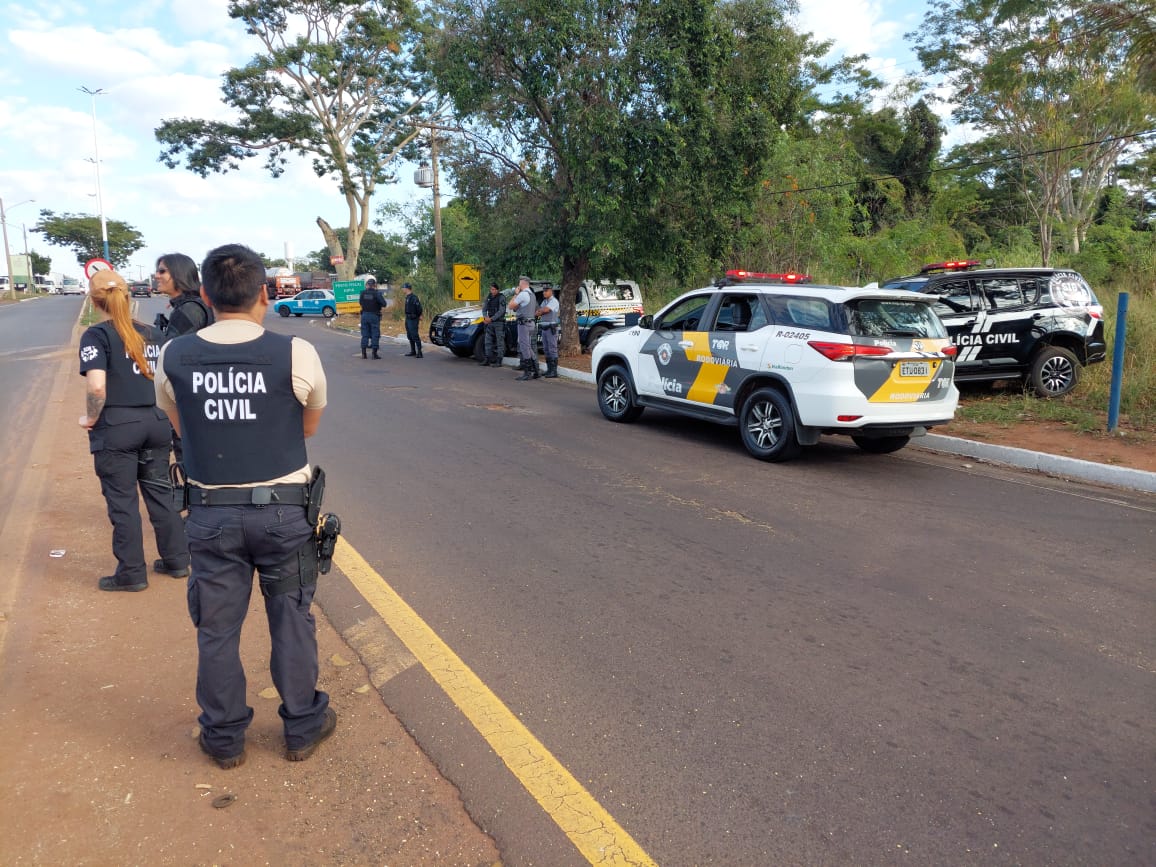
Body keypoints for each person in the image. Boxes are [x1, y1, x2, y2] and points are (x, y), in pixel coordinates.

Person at [155, 243, 334, 770]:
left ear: (206, 294)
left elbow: (182, 429)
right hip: (284, 516)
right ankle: (301, 728)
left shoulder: (176, 354)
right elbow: (308, 428)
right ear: (264, 294)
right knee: (291, 620)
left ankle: (224, 738)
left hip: (211, 515)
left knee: (216, 629)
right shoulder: (295, 352)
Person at [78, 270, 189, 592]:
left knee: (123, 502)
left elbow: (97, 388)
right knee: (160, 494)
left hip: (117, 428)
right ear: (128, 297)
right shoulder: (154, 334)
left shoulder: (96, 336)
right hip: (156, 424)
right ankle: (177, 560)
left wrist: (89, 419)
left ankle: (131, 573)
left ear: (95, 301)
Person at [154, 253, 213, 340]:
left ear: (180, 274)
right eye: (157, 271)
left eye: (162, 271)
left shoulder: (189, 309)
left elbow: (172, 348)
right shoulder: (195, 303)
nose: (156, 276)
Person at [508, 276, 539, 380]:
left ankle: (527, 373)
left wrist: (516, 294)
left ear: (523, 284)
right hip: (531, 323)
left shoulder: (522, 294)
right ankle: (536, 370)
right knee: (528, 347)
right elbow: (518, 307)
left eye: (519, 283)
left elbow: (511, 306)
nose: (519, 285)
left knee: (524, 347)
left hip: (523, 324)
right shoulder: (532, 295)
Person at [358, 277, 388, 359]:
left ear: (367, 285)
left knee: (365, 334)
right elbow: (384, 304)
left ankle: (364, 354)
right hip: (374, 315)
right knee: (375, 334)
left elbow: (360, 303)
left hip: (364, 315)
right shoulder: (377, 293)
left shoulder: (362, 293)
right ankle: (374, 354)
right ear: (375, 285)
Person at [536, 284, 560, 378]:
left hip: (551, 328)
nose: (544, 292)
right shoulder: (545, 301)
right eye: (543, 291)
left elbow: (545, 310)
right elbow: (538, 311)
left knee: (552, 349)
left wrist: (540, 311)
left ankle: (554, 371)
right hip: (544, 328)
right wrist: (540, 311)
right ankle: (549, 369)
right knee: (546, 349)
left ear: (551, 291)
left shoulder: (554, 301)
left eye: (546, 291)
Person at [480, 282, 506, 366]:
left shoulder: (501, 297)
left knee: (499, 342)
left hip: (498, 322)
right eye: (491, 289)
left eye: (494, 289)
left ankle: (499, 360)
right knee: (487, 341)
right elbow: (484, 308)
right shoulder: (489, 297)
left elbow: (501, 311)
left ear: (497, 290)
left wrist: (491, 319)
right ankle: (488, 359)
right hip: (489, 322)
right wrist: (485, 317)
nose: (492, 291)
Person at [402, 283, 423, 357]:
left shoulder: (414, 297)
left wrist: (420, 315)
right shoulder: (407, 297)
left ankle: (420, 352)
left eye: (403, 288)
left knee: (414, 335)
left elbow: (419, 308)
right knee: (409, 335)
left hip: (413, 318)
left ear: (407, 288)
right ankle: (413, 351)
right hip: (408, 318)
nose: (402, 289)